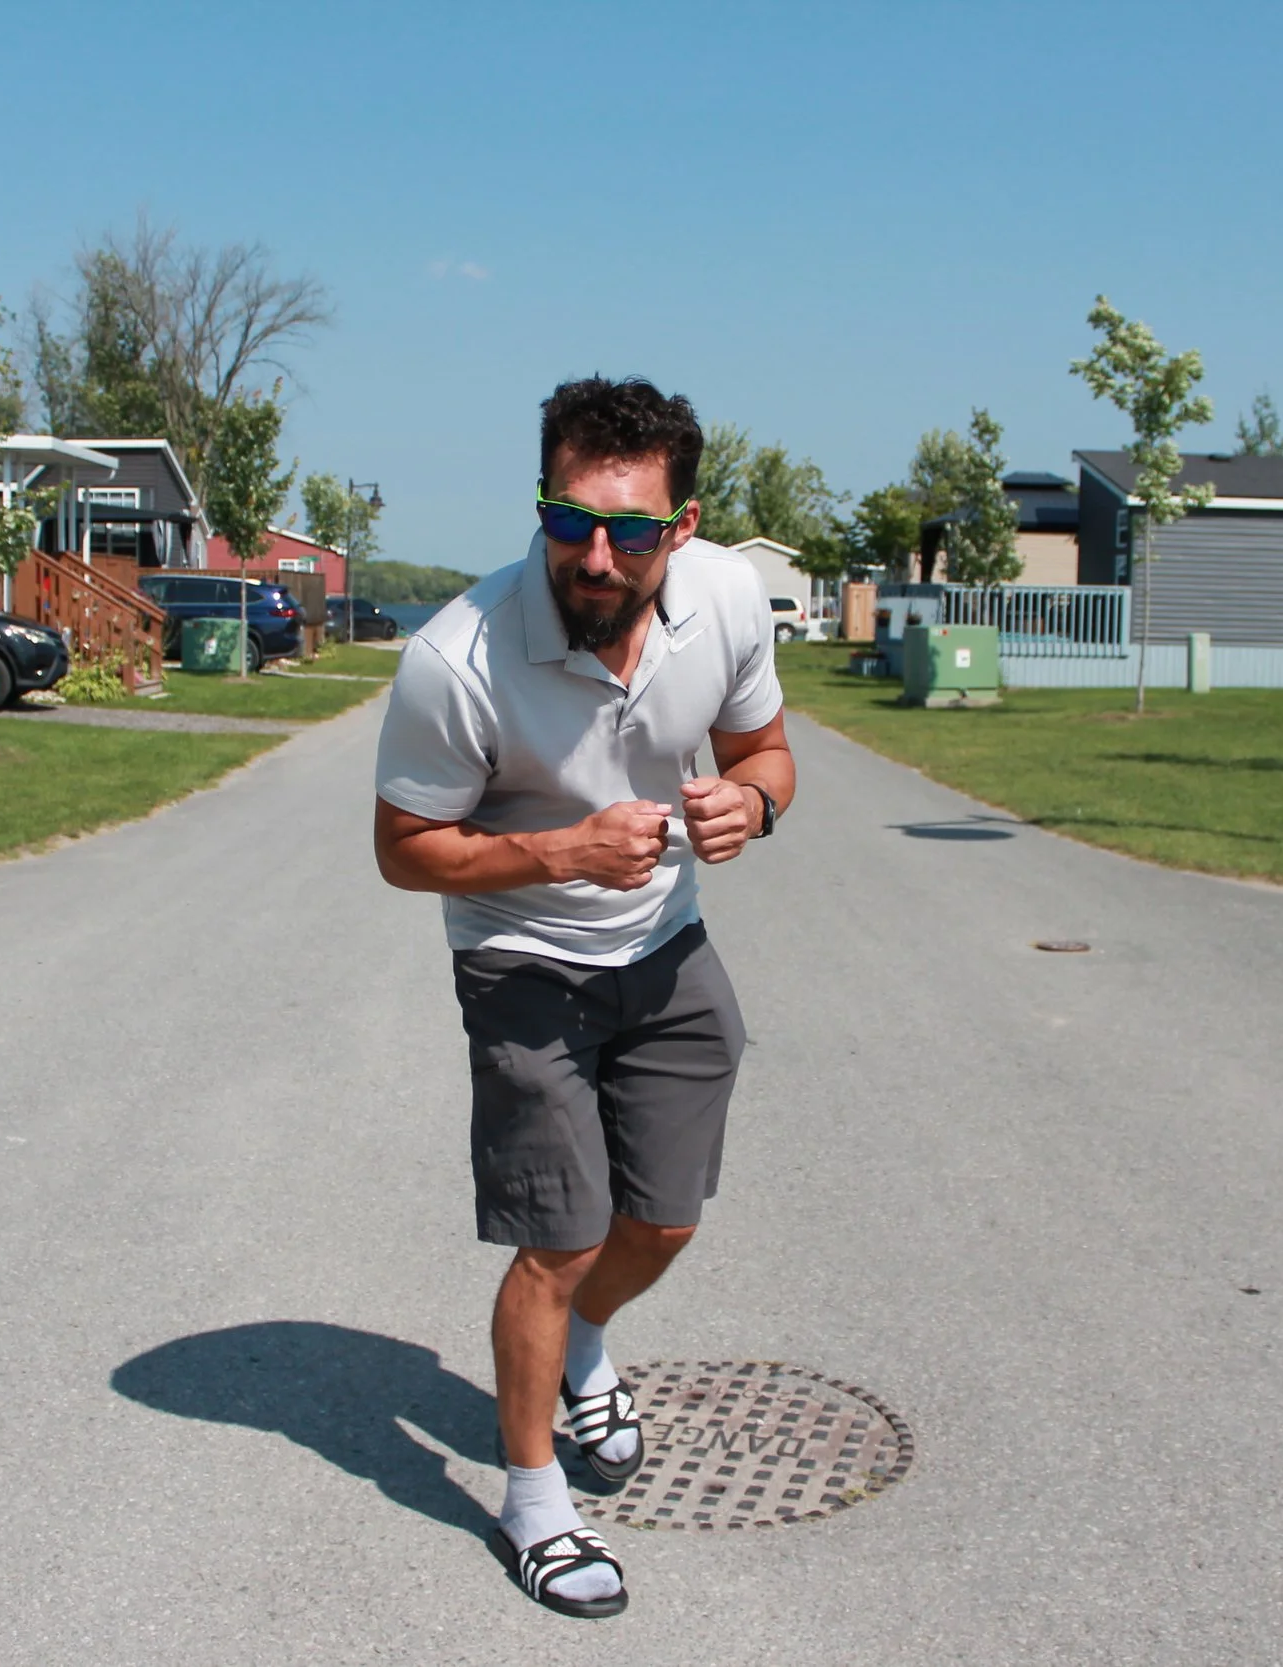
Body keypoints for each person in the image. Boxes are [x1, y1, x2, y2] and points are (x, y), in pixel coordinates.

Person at [373, 375, 794, 1618]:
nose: (595, 555)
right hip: (519, 959)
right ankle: (535, 1500)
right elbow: (404, 849)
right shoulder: (458, 657)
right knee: (557, 1237)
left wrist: (752, 804)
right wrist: (559, 850)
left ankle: (587, 1352)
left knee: (659, 1222)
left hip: (665, 948)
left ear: (686, 523)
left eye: (630, 528)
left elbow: (768, 752)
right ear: (542, 506)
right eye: (569, 522)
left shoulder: (724, 599)